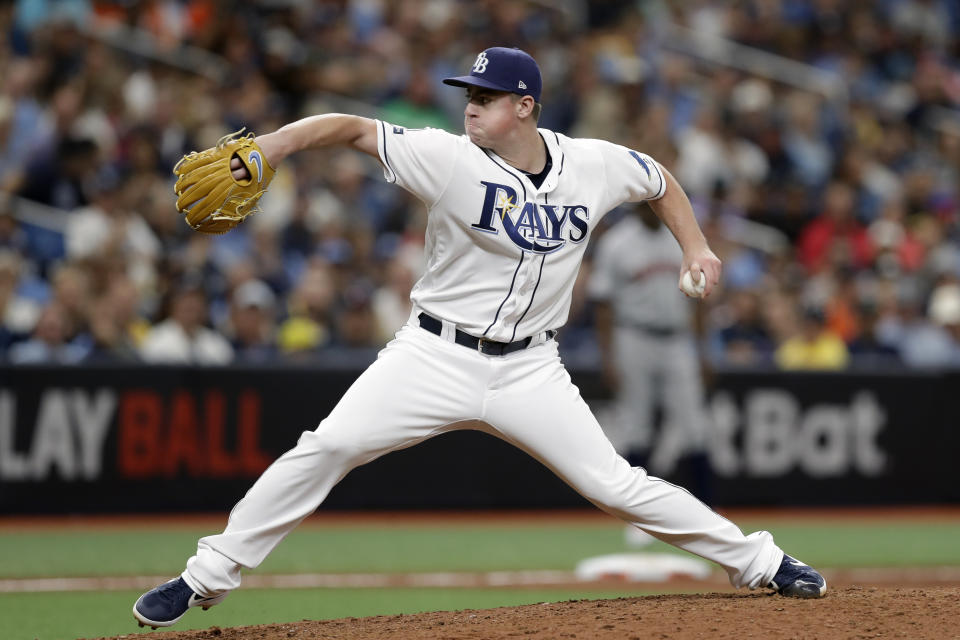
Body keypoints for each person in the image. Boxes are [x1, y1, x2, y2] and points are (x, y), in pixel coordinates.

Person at [133, 46, 826, 630]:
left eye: (488, 96)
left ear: (525, 106)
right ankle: (204, 578)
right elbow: (348, 128)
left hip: (531, 368)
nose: (470, 106)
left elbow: (659, 179)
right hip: (432, 353)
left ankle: (762, 562)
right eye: (469, 93)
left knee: (615, 484)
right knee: (329, 446)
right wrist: (276, 144)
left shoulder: (592, 164)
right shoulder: (448, 157)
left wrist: (695, 247)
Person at [589, 204, 713, 483]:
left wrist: (704, 352)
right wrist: (608, 357)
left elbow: (701, 303)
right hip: (633, 336)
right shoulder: (616, 242)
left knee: (694, 424)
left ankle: (707, 506)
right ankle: (637, 517)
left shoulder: (681, 238)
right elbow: (603, 305)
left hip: (678, 339)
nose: (650, 208)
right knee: (636, 424)